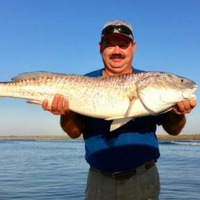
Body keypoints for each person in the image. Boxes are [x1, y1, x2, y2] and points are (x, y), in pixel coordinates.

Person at [42, 20, 197, 200]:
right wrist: (66, 112)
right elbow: (74, 132)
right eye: (110, 45)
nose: (117, 51)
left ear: (133, 47)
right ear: (100, 47)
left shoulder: (148, 83)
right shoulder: (83, 82)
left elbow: (174, 130)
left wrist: (177, 113)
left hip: (143, 180)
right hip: (98, 183)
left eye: (123, 45)